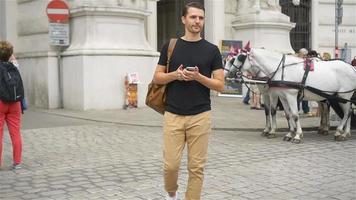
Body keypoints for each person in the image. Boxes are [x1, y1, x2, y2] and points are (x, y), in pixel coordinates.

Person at [152, 2, 224, 200]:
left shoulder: (212, 50)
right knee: (171, 165)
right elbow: (157, 78)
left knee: (196, 168)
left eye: (201, 18)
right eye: (193, 17)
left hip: (201, 115)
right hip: (173, 114)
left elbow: (220, 85)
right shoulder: (171, 46)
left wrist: (199, 77)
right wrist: (175, 75)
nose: (197, 21)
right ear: (183, 19)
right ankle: (171, 193)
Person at [0, 41, 23, 170]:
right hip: (15, 103)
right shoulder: (14, 66)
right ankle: (17, 162)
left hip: (0, 102)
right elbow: (13, 59)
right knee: (15, 133)